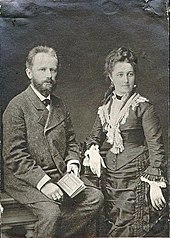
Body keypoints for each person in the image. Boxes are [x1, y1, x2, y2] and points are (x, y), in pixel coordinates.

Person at [3, 45, 104, 238]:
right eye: (42, 70)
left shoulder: (60, 105)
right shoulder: (16, 107)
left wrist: (72, 164)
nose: (49, 75)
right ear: (29, 72)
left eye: (53, 70)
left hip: (59, 173)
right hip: (25, 179)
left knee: (95, 198)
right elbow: (15, 156)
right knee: (51, 213)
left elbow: (72, 142)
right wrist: (44, 184)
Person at [84, 47, 168, 237]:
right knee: (111, 224)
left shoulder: (144, 107)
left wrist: (155, 183)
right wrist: (94, 150)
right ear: (111, 78)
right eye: (120, 74)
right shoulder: (105, 108)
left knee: (130, 228)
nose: (125, 80)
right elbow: (93, 137)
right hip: (111, 180)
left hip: (136, 177)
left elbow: (156, 148)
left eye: (130, 74)